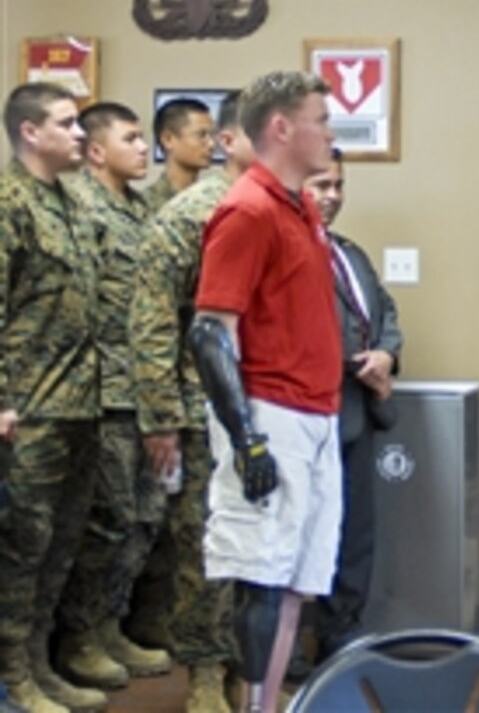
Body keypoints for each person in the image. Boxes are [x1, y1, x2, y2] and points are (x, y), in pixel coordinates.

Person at [188, 70, 341, 713]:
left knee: (297, 582)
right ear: (282, 127)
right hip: (270, 412)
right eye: (321, 120)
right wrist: (247, 441)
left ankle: (270, 706)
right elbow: (209, 334)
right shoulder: (246, 210)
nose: (331, 133)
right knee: (261, 578)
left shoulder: (299, 204)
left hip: (317, 413)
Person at [129, 89, 252, 713]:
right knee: (205, 544)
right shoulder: (191, 214)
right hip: (203, 408)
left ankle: (248, 670)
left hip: (270, 405)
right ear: (233, 140)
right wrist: (160, 417)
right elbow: (151, 319)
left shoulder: (288, 209)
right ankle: (205, 674)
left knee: (258, 542)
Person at [55, 101, 173, 692]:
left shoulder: (138, 209)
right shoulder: (80, 207)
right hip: (99, 391)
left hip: (142, 389)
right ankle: (78, 635)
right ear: (97, 150)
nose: (143, 149)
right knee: (105, 520)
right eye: (130, 138)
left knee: (144, 518)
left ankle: (109, 622)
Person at [0, 83, 105, 712]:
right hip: (28, 411)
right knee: (21, 549)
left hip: (79, 404)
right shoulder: (8, 201)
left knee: (61, 547)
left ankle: (38, 663)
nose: (80, 135)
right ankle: (12, 679)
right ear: (30, 132)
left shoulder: (70, 199)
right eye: (67, 124)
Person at [303, 147, 403, 661]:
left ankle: (341, 630)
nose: (332, 196)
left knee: (354, 532)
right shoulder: (281, 249)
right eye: (320, 185)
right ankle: (294, 645)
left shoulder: (348, 253)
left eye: (338, 185)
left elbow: (383, 308)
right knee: (303, 536)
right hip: (303, 414)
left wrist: (386, 353)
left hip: (355, 411)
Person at [142, 98, 215, 212]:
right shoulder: (145, 205)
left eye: (211, 135)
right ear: (168, 140)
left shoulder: (215, 201)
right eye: (201, 135)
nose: (211, 144)